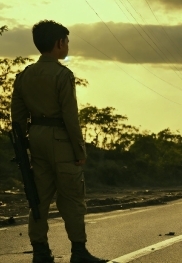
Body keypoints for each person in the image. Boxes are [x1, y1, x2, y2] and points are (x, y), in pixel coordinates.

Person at [11, 20, 107, 263]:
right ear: (59, 43)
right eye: (66, 41)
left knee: (39, 197)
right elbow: (70, 117)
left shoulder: (24, 75)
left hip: (36, 138)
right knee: (72, 197)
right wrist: (79, 149)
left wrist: (24, 148)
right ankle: (79, 251)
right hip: (61, 140)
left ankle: (41, 252)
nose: (67, 46)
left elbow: (18, 119)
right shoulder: (63, 74)